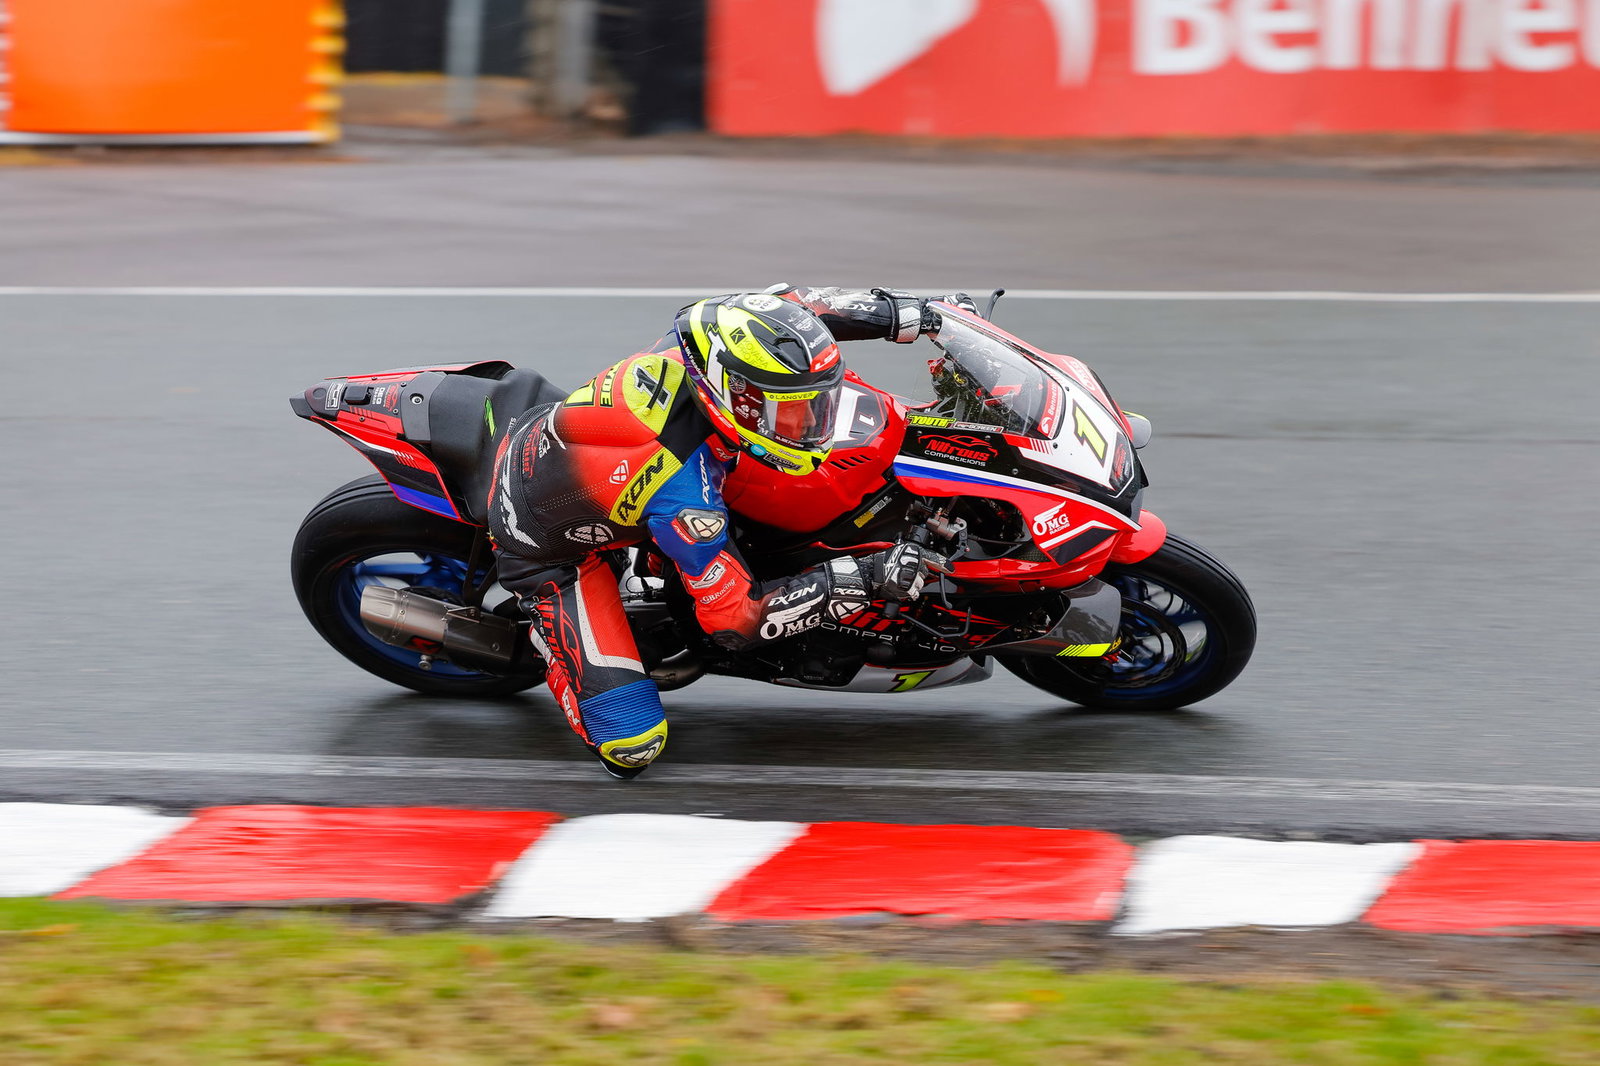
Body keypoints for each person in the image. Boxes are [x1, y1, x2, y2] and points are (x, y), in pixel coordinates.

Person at [486, 286, 962, 778]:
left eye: (815, 406)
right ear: (735, 396)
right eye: (792, 412)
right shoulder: (683, 497)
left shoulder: (711, 337)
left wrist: (915, 315)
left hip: (598, 455)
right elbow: (735, 623)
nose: (812, 424)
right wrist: (863, 577)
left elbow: (800, 309)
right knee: (633, 745)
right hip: (551, 549)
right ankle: (551, 642)